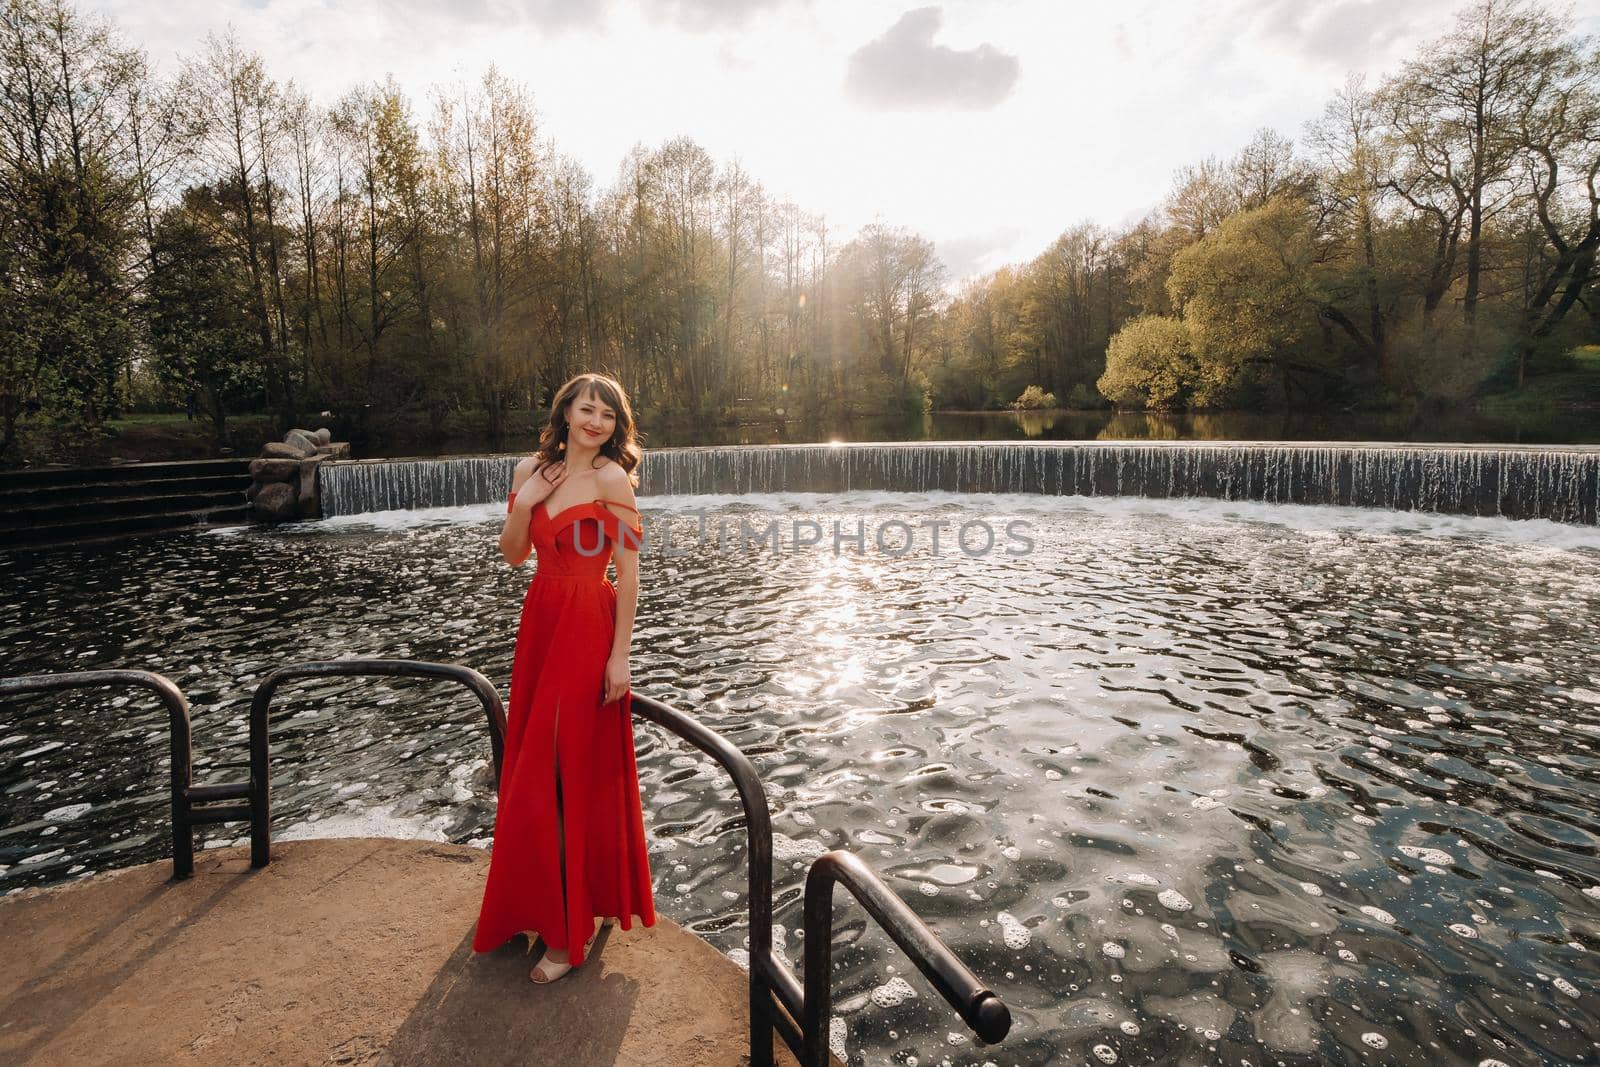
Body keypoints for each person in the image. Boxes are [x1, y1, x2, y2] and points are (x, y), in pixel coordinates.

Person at [472, 372, 657, 984]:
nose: (596, 421)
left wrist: (620, 656)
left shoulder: (611, 480)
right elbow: (513, 554)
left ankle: (565, 933)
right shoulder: (532, 469)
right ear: (567, 412)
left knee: (565, 765)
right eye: (586, 408)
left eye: (608, 413)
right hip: (542, 617)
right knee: (533, 765)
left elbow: (627, 571)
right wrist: (524, 503)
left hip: (587, 621)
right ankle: (536, 905)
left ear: (616, 425)